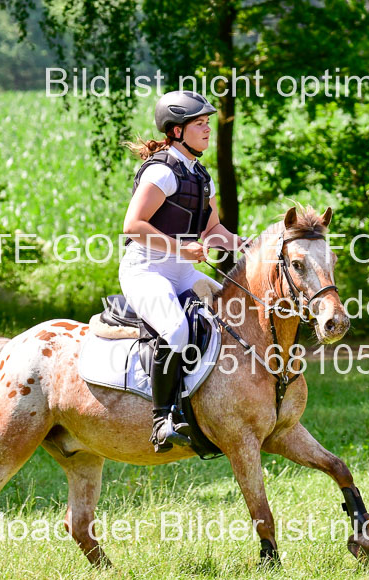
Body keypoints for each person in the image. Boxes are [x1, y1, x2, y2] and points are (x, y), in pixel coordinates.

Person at [122, 90, 247, 453]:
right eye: (199, 124)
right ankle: (162, 420)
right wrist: (182, 248)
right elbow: (133, 225)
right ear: (177, 131)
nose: (208, 130)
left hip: (182, 271)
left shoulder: (200, 176)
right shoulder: (162, 172)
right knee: (176, 331)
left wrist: (246, 244)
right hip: (146, 270)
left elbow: (213, 232)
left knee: (231, 310)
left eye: (208, 123)